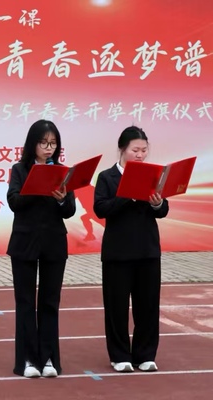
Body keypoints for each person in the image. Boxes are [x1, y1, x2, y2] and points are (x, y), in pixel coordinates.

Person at [93, 126, 168, 373]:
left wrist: (157, 204)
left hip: (147, 249)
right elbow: (101, 209)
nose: (140, 155)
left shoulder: (153, 175)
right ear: (122, 149)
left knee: (148, 306)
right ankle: (120, 355)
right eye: (135, 150)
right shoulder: (107, 177)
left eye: (144, 150)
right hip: (118, 252)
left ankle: (145, 355)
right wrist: (128, 194)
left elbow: (163, 209)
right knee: (116, 306)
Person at [6, 119, 76, 378]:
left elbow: (70, 210)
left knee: (50, 302)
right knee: (25, 302)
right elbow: (14, 202)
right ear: (32, 144)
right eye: (44, 143)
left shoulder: (62, 172)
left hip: (54, 242)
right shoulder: (20, 169)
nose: (49, 148)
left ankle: (47, 358)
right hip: (24, 242)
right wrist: (36, 186)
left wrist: (61, 199)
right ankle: (27, 360)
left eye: (53, 143)